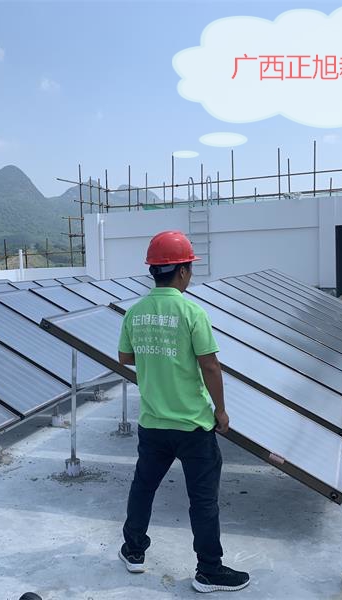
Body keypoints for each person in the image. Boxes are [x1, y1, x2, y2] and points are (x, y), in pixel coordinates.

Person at [117, 230, 250, 594]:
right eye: (189, 268)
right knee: (203, 501)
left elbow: (125, 357)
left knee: (143, 488)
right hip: (192, 426)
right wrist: (221, 411)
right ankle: (209, 571)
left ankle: (133, 551)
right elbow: (210, 366)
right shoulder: (192, 312)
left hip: (152, 423)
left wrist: (156, 358)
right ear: (181, 271)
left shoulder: (135, 312)